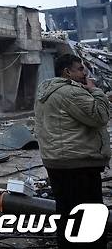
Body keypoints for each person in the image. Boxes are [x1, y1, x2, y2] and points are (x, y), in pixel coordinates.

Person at [35, 53, 110, 248]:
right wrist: (96, 92)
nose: (84, 72)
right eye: (80, 68)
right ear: (67, 72)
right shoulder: (71, 93)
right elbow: (99, 116)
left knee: (67, 213)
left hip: (57, 162)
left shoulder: (47, 90)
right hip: (78, 163)